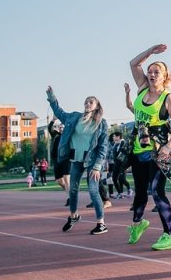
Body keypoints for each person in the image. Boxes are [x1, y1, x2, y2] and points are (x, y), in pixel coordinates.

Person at [126, 45, 171, 251]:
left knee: (156, 191)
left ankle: (169, 235)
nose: (151, 74)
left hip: (157, 151)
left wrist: (169, 146)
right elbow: (133, 63)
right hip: (137, 149)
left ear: (165, 76)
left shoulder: (168, 98)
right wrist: (151, 51)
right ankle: (137, 224)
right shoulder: (142, 88)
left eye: (156, 72)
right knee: (140, 192)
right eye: (150, 71)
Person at [47, 86, 109, 236]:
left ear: (96, 106)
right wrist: (51, 96)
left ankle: (101, 224)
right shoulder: (74, 117)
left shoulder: (101, 123)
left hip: (93, 161)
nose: (88, 104)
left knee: (93, 191)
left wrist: (97, 166)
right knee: (73, 190)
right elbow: (59, 112)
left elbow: (103, 146)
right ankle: (73, 216)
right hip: (76, 159)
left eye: (91, 102)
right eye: (86, 102)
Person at [49, 119, 70, 205]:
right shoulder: (55, 135)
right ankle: (71, 193)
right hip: (57, 160)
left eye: (63, 127)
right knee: (59, 181)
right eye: (60, 127)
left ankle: (70, 198)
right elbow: (50, 128)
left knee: (66, 178)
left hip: (66, 159)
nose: (61, 129)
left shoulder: (68, 135)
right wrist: (53, 120)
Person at [108, 130, 131, 198]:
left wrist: (125, 165)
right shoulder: (115, 144)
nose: (113, 137)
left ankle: (129, 189)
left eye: (114, 136)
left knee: (121, 179)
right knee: (114, 179)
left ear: (118, 137)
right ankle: (120, 193)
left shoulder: (123, 142)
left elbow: (125, 153)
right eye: (113, 136)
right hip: (116, 164)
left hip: (122, 164)